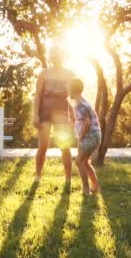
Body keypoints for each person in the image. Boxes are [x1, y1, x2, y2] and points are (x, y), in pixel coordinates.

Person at [33, 49, 76, 183]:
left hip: (63, 113)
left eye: (59, 55)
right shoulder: (44, 73)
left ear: (63, 57)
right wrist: (35, 115)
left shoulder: (69, 74)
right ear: (51, 57)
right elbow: (38, 95)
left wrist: (75, 117)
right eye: (54, 55)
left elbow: (74, 96)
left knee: (65, 146)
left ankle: (68, 178)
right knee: (43, 146)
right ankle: (38, 176)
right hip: (44, 112)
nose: (56, 58)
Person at [69, 78, 101, 195]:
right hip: (95, 135)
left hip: (89, 136)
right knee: (85, 161)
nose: (68, 92)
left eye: (69, 89)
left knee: (79, 161)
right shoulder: (82, 102)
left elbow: (87, 123)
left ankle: (86, 189)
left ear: (73, 90)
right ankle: (95, 186)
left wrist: (81, 136)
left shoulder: (80, 105)